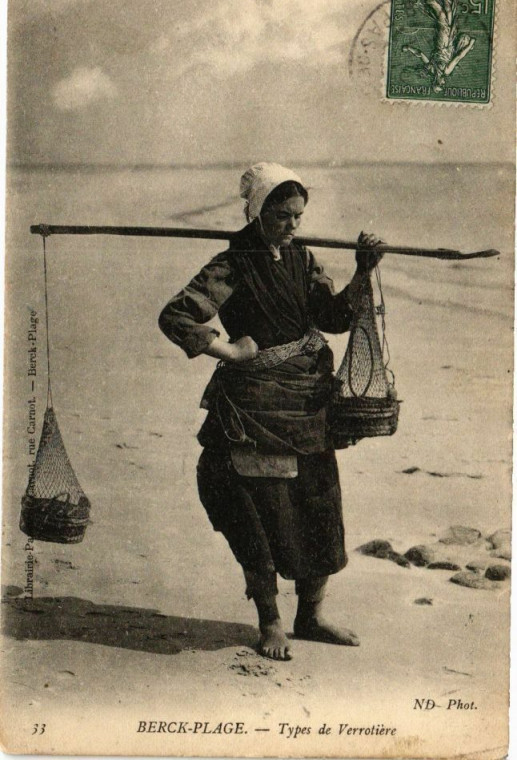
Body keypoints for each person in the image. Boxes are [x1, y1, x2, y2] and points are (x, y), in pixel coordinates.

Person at [159, 162, 383, 661]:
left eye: (298, 216)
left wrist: (365, 269)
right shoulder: (232, 264)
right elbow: (176, 316)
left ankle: (312, 615)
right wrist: (230, 351)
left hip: (307, 404)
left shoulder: (304, 260)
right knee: (259, 515)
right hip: (254, 409)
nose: (292, 225)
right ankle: (271, 622)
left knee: (320, 507)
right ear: (257, 211)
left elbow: (334, 318)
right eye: (281, 215)